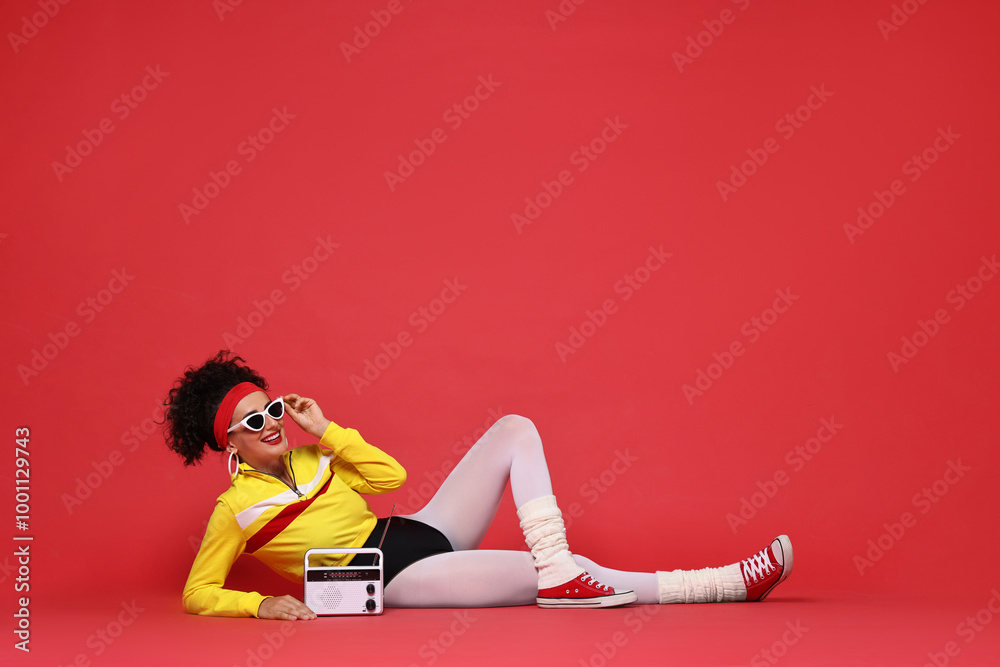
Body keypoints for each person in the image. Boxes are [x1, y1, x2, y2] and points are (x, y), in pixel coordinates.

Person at [164, 350, 793, 620]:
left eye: (272, 410)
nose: (272, 425)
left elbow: (391, 478)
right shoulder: (234, 508)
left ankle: (558, 572)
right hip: (386, 577)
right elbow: (198, 592)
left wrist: (324, 429)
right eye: (254, 421)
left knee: (514, 428)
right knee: (566, 568)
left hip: (413, 530)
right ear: (231, 442)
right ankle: (723, 585)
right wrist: (261, 604)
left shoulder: (309, 453)